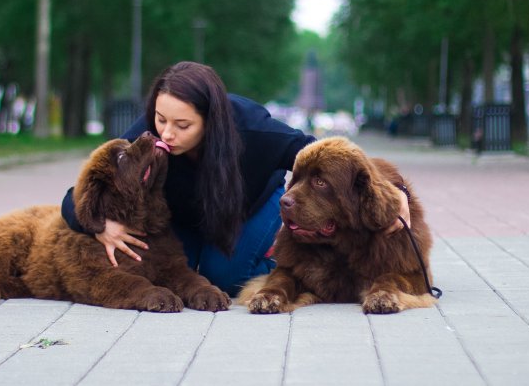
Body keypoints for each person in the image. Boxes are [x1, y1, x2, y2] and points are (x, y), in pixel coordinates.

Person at [60, 61, 409, 297]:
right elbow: (78, 194)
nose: (166, 134)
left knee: (222, 280)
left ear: (210, 121)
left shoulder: (254, 130)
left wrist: (394, 191)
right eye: (160, 119)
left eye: (183, 126)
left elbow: (330, 154)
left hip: (252, 208)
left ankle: (288, 257)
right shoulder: (148, 136)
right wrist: (99, 225)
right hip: (185, 220)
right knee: (157, 273)